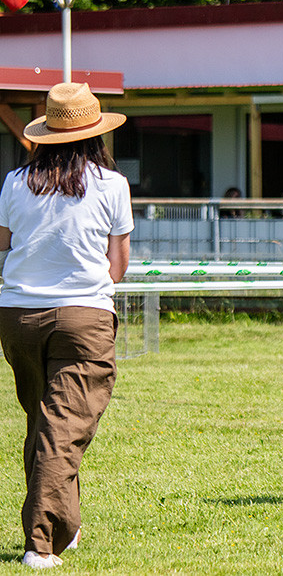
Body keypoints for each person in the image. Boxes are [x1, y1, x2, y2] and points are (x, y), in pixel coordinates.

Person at [0, 83, 133, 569]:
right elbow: (117, 264)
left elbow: (4, 242)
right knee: (63, 427)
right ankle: (41, 542)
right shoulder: (112, 185)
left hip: (18, 317)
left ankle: (65, 526)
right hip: (85, 316)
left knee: (45, 423)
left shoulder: (15, 182)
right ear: (96, 133)